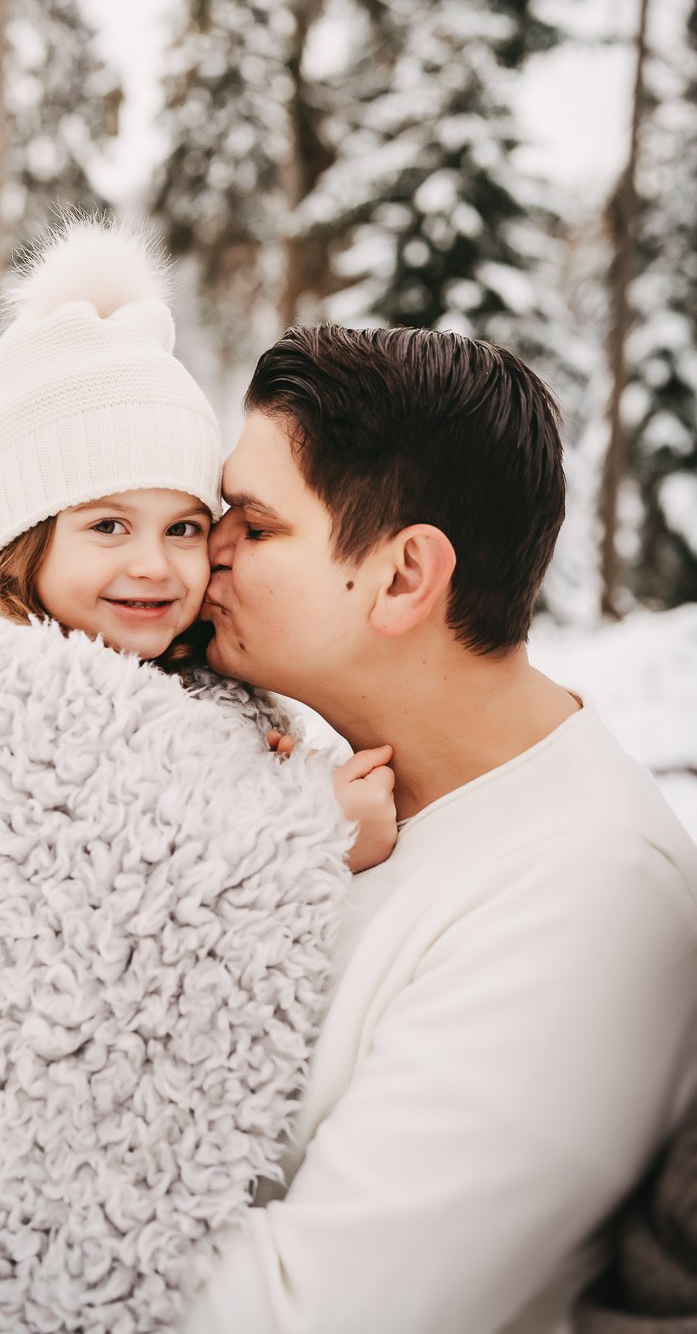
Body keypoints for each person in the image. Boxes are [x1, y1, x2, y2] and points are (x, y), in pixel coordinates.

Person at [0, 219, 395, 1334]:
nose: (155, 565)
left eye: (185, 526)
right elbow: (92, 949)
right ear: (28, 544)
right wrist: (305, 838)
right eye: (108, 525)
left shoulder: (216, 708)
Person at [178, 324, 697, 1334]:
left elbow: (306, 1315)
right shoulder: (322, 792)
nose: (207, 549)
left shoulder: (589, 897)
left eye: (254, 521)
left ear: (405, 575)